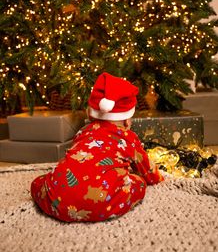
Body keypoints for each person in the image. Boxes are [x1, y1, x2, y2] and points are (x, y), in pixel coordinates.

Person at [31, 72, 164, 222]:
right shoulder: (129, 138)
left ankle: (63, 196)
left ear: (92, 115)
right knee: (139, 183)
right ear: (127, 121)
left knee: (38, 183)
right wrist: (158, 177)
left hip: (58, 203)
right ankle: (96, 206)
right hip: (102, 205)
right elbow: (149, 173)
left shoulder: (83, 131)